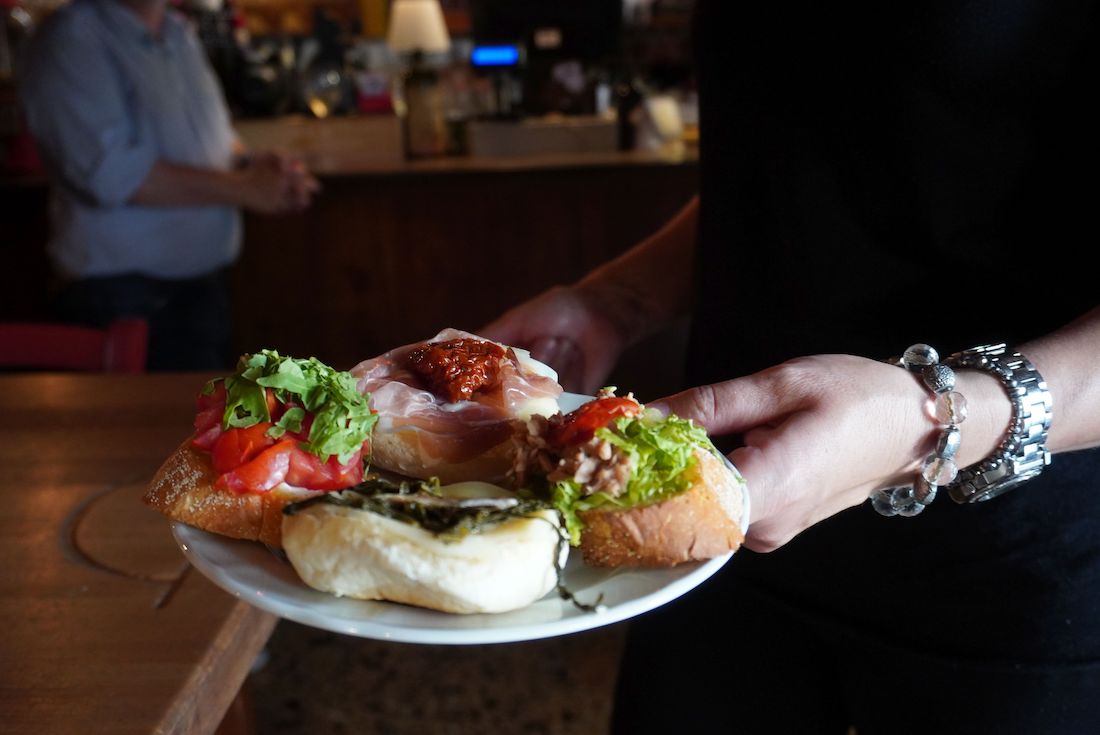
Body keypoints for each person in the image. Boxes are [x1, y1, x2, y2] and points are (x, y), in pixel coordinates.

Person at [483, 2, 1100, 733]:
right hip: (717, 551)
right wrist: (619, 299)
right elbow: (818, 153)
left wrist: (937, 419)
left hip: (1003, 592)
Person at [20, 0, 318, 370]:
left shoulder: (180, 31)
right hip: (119, 298)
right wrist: (246, 187)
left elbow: (212, 143)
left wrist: (253, 161)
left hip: (202, 288)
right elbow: (108, 174)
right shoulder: (73, 37)